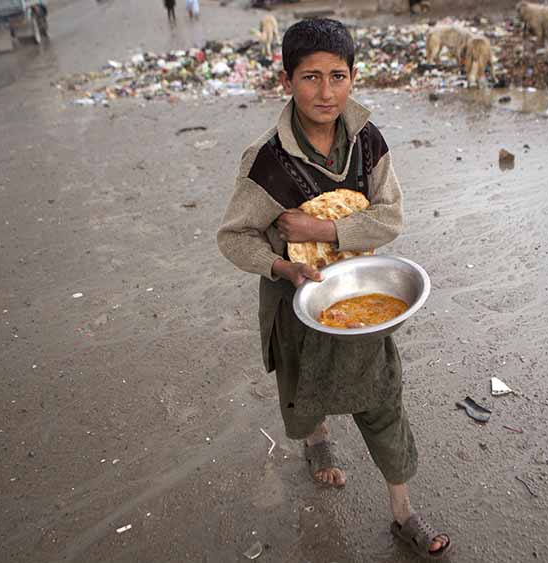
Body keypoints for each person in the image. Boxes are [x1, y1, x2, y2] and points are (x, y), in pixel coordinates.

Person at [217, 18, 452, 560]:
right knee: (306, 395)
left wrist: (323, 230)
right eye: (310, 77)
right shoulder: (265, 161)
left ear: (353, 78)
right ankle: (317, 441)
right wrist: (282, 266)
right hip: (294, 302)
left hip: (360, 297)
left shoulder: (369, 144)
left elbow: (390, 218)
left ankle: (403, 513)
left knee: (382, 398)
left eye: (338, 76)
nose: (326, 92)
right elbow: (234, 238)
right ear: (287, 80)